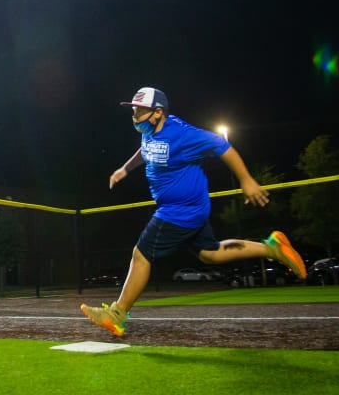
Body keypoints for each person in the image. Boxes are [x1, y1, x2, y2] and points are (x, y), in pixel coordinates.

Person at [80, 87, 306, 337]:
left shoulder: (183, 134)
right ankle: (272, 247)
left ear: (158, 112)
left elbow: (223, 146)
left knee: (141, 255)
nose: (134, 116)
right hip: (191, 208)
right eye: (133, 110)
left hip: (180, 211)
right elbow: (145, 152)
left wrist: (246, 180)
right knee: (211, 254)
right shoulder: (149, 132)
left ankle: (118, 314)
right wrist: (125, 169)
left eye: (139, 111)